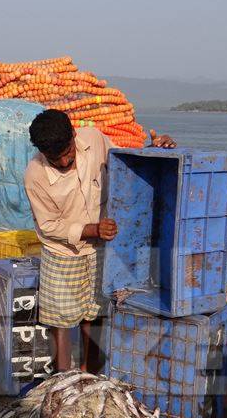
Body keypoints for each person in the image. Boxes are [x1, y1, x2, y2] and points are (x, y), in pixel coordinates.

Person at [23, 110, 176, 372]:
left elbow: (125, 166)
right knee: (61, 321)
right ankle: (64, 381)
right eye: (55, 158)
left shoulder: (94, 139)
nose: (64, 160)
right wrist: (92, 229)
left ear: (73, 134)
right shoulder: (34, 175)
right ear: (42, 153)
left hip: (100, 249)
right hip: (63, 253)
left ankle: (90, 374)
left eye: (67, 151)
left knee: (94, 315)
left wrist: (155, 150)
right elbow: (48, 226)